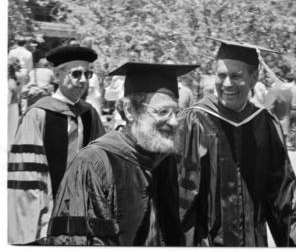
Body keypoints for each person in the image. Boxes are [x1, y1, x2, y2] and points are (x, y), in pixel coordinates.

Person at [176, 37, 296, 247]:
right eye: (221, 75)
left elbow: (282, 190)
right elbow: (182, 198)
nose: (227, 83)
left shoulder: (264, 123)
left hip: (253, 241)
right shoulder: (195, 122)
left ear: (254, 77)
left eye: (236, 76)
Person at [47, 62, 199, 245]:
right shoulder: (93, 163)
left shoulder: (165, 160)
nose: (174, 122)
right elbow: (75, 240)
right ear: (129, 111)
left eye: (176, 112)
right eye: (163, 112)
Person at [8, 45, 105, 244]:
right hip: (46, 216)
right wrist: (35, 227)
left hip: (83, 216)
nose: (83, 80)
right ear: (58, 75)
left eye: (88, 74)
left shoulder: (89, 114)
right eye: (76, 74)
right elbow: (28, 175)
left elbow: (101, 163)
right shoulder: (38, 114)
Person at [8, 59, 21, 151]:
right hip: (13, 106)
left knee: (10, 126)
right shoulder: (12, 80)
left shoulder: (10, 82)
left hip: (10, 107)